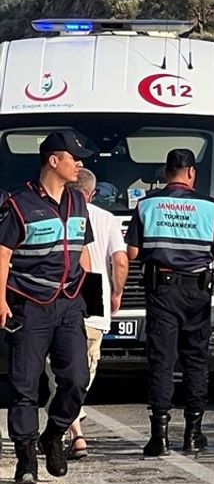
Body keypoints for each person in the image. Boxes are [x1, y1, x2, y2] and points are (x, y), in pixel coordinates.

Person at [0, 132, 95, 484]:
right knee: (24, 385)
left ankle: (53, 434)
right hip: (30, 305)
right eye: (74, 158)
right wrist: (0, 301)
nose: (80, 164)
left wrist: (92, 299)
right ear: (54, 161)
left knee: (77, 379)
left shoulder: (78, 201)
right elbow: (2, 255)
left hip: (69, 304)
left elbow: (84, 252)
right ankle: (26, 457)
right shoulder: (19, 204)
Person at [125, 149, 214, 456]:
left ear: (165, 172)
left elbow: (132, 253)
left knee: (162, 360)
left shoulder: (147, 204)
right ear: (192, 173)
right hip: (197, 291)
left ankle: (159, 436)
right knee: (196, 359)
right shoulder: (209, 206)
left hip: (162, 290)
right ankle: (193, 433)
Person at [60, 170, 127, 459]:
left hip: (61, 300)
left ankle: (72, 427)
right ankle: (74, 429)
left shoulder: (57, 213)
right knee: (85, 369)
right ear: (93, 193)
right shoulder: (106, 218)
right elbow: (120, 260)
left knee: (60, 370)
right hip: (94, 302)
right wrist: (117, 293)